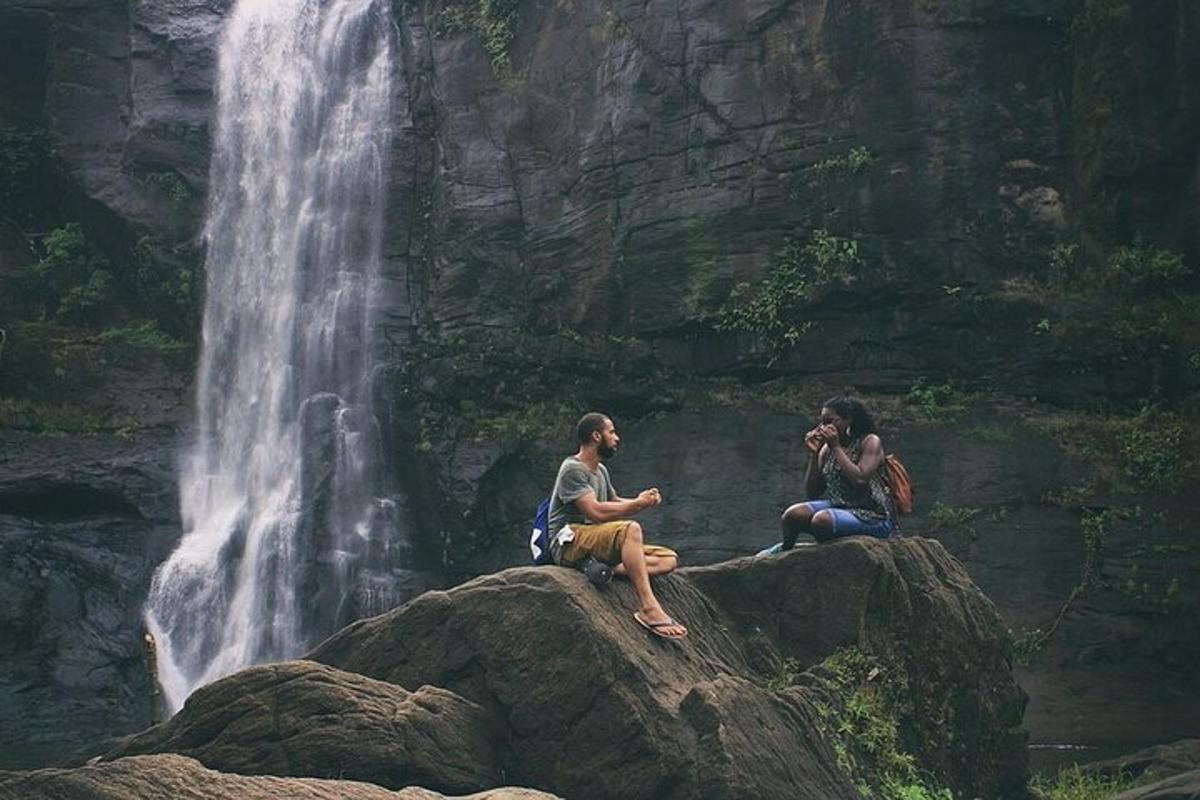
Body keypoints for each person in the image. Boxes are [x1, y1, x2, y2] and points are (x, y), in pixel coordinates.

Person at [547, 412, 687, 639]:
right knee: (630, 529)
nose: (617, 438)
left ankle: (603, 568)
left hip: (593, 539)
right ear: (596, 436)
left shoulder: (600, 470)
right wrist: (638, 505)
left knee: (668, 559)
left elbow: (613, 501)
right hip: (569, 540)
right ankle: (649, 608)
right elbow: (595, 511)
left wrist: (641, 500)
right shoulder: (573, 469)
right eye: (611, 432)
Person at [762, 396, 898, 553]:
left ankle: (829, 552)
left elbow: (860, 479)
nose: (823, 427)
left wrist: (836, 447)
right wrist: (814, 454)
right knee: (793, 515)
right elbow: (813, 492)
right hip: (841, 506)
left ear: (848, 420)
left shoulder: (869, 442)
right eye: (822, 422)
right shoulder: (826, 450)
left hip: (873, 515)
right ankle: (786, 551)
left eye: (830, 421)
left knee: (821, 520)